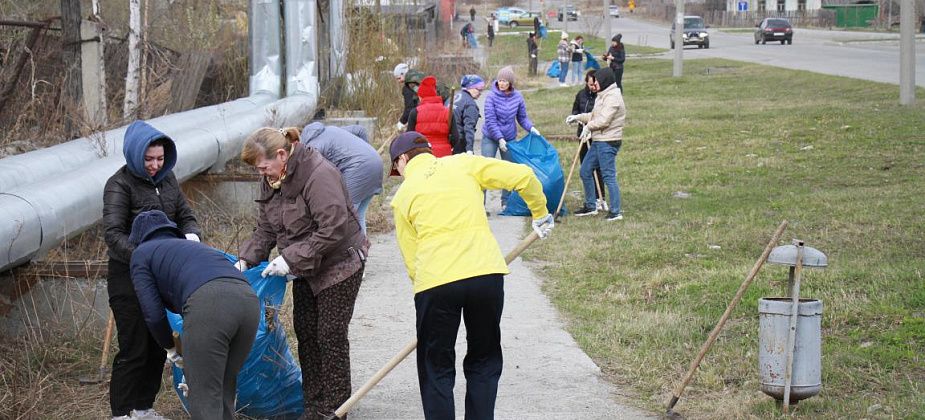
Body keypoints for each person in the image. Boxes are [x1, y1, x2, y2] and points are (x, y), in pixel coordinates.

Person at [387, 131, 554, 420]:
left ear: (402, 159)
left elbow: (412, 260)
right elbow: (524, 176)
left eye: (396, 168)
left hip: (436, 284)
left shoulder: (402, 197)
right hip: (485, 275)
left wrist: (426, 303)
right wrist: (540, 214)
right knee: (484, 358)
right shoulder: (463, 164)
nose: (399, 174)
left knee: (436, 367)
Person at [236, 127, 367, 419]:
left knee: (330, 335)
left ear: (282, 154)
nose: (261, 173)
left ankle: (336, 410)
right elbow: (266, 227)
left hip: (340, 263)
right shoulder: (271, 178)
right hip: (305, 266)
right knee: (306, 332)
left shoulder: (319, 174)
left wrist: (289, 259)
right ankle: (314, 406)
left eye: (263, 166)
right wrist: (245, 260)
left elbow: (333, 228)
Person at [103, 120, 202, 420]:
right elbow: (113, 233)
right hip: (128, 275)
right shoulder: (118, 185)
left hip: (163, 275)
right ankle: (121, 412)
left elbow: (185, 214)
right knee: (134, 346)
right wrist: (146, 256)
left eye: (159, 159)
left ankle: (143, 407)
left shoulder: (168, 179)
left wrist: (192, 235)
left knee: (160, 344)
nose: (155, 165)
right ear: (135, 155)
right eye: (148, 159)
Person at [128, 210, 259, 420]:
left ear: (137, 239)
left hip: (211, 306)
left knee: (204, 394)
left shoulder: (142, 253)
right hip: (249, 302)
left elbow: (152, 312)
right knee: (224, 386)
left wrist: (170, 346)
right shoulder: (193, 247)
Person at [299, 122, 384, 234]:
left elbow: (313, 175)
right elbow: (359, 129)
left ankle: (354, 249)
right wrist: (367, 151)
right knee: (358, 216)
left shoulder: (313, 147)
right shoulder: (331, 129)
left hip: (358, 170)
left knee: (345, 217)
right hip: (376, 162)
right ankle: (362, 249)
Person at [565, 67, 625, 221]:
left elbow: (604, 120)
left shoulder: (613, 97)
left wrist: (589, 127)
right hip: (599, 140)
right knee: (585, 170)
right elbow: (593, 115)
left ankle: (615, 211)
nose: (594, 84)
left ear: (604, 81)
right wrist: (578, 117)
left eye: (597, 81)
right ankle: (591, 206)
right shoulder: (602, 95)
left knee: (608, 176)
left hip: (608, 141)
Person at [481, 66, 541, 210]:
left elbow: (522, 118)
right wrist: (499, 138)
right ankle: (480, 204)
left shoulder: (517, 96)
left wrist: (531, 128)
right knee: (485, 168)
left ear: (510, 83)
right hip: (491, 136)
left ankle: (505, 202)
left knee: (508, 170)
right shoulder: (491, 96)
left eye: (505, 81)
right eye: (500, 80)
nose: (501, 83)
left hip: (509, 138)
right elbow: (490, 120)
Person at [570, 69, 606, 212]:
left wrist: (591, 126)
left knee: (598, 168)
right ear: (586, 83)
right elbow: (575, 111)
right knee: (585, 167)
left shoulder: (601, 96)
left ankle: (600, 198)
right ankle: (590, 199)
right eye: (590, 84)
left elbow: (601, 116)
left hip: (596, 136)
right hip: (583, 136)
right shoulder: (581, 95)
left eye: (594, 84)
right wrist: (577, 119)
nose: (593, 87)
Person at [407, 76, 460, 157]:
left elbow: (409, 137)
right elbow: (455, 137)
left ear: (421, 97)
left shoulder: (415, 112)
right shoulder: (447, 112)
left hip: (423, 154)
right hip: (444, 154)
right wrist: (448, 145)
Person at [453, 74, 486, 154]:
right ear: (470, 88)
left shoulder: (453, 97)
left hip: (449, 140)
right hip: (460, 143)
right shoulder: (470, 104)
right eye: (479, 89)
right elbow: (469, 128)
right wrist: (469, 149)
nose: (480, 93)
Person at [394, 63, 423, 129]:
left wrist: (401, 122)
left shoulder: (408, 87)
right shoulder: (419, 77)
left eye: (399, 78)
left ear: (403, 74)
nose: (399, 81)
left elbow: (410, 108)